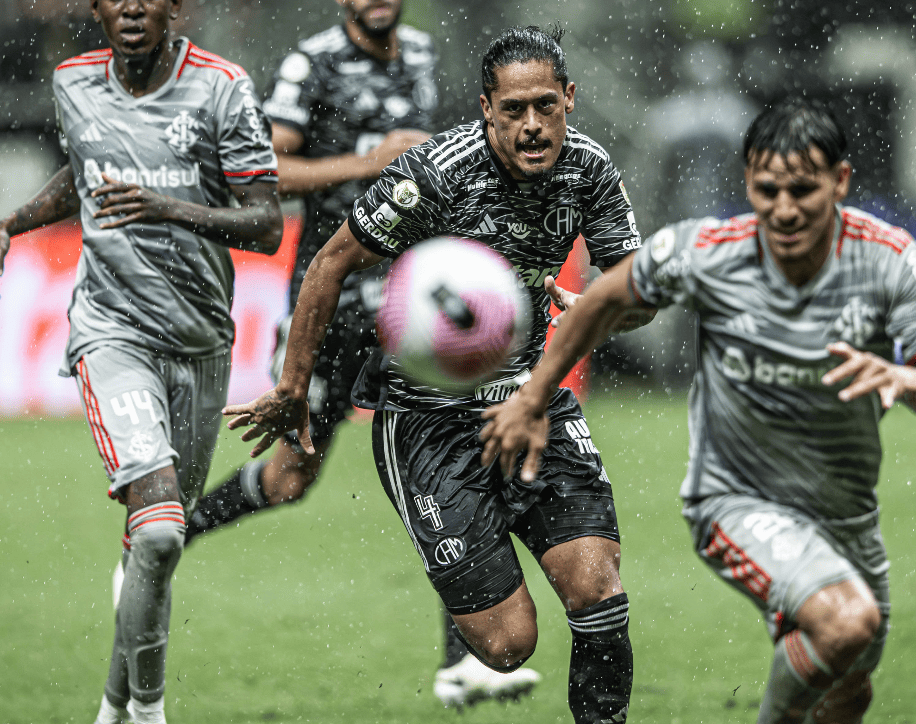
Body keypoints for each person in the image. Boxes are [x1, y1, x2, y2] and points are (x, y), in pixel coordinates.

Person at [479, 99, 916, 723]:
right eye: (768, 190)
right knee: (845, 625)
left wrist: (902, 377)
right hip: (737, 500)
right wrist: (533, 399)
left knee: (848, 685)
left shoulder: (886, 257)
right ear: (747, 183)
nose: (784, 209)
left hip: (845, 511)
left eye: (803, 189)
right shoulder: (710, 251)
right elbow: (605, 297)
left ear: (840, 181)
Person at [226, 25, 653, 724]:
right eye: (513, 110)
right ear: (486, 109)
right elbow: (330, 263)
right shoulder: (434, 174)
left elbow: (636, 291)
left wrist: (604, 310)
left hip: (532, 402)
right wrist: (293, 387)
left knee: (598, 593)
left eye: (545, 106)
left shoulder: (590, 168)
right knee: (508, 646)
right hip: (427, 421)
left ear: (570, 99)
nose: (532, 125)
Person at [167, 0, 540, 707]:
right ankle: (171, 537)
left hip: (414, 299)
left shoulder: (424, 54)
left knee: (458, 456)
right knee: (289, 478)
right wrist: (365, 165)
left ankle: (463, 661)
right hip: (332, 300)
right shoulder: (311, 63)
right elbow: (266, 173)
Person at [0, 1, 283, 722]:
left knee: (155, 547)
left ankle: (114, 708)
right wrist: (11, 222)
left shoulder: (222, 87)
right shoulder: (72, 81)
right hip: (112, 332)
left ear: (176, 6)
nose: (132, 5)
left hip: (201, 342)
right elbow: (84, 174)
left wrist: (170, 208)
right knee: (162, 530)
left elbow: (266, 224)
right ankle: (148, 712)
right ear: (97, 7)